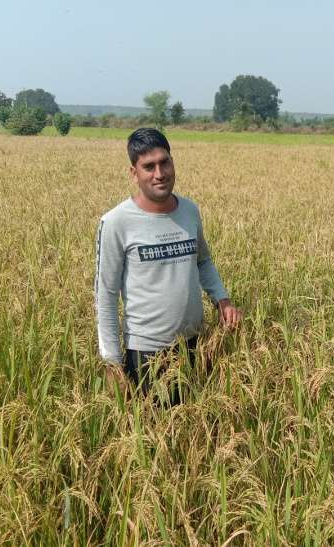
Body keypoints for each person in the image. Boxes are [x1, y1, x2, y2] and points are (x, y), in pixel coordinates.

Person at [95, 128, 242, 397]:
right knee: (155, 432)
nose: (159, 174)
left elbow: (203, 261)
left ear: (173, 162)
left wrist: (223, 300)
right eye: (148, 166)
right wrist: (113, 363)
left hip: (195, 346)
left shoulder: (189, 211)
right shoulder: (116, 222)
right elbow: (105, 295)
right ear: (134, 173)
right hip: (146, 356)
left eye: (165, 162)